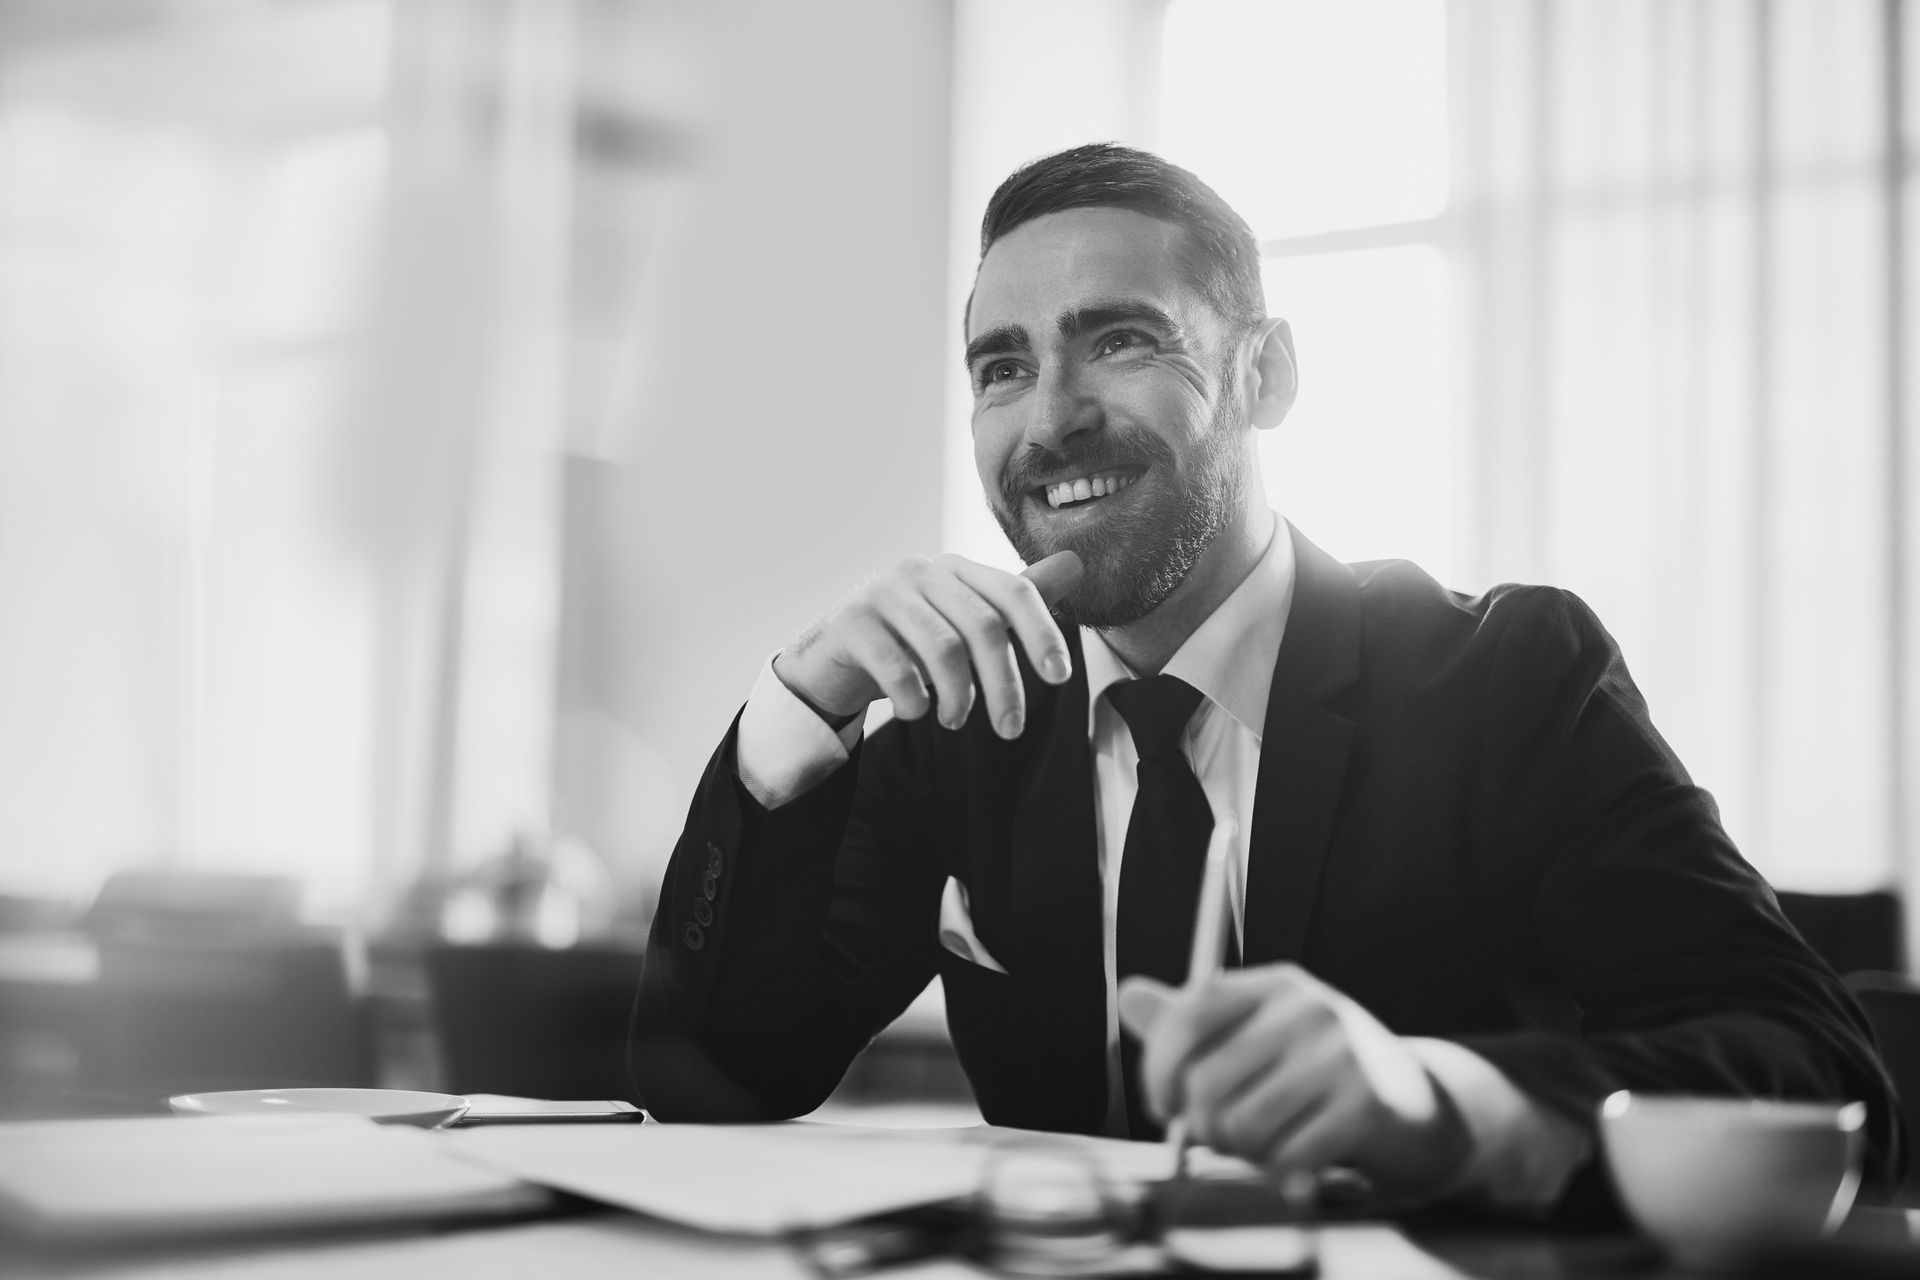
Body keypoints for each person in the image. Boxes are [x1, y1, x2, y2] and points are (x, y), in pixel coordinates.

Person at [629, 143, 1898, 1214]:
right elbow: (709, 1085)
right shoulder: (962, 712)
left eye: (1117, 339)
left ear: (1266, 374)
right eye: (1001, 366)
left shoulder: (1510, 679)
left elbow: (1819, 1067)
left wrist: (1433, 1096)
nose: (1050, 417)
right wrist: (798, 711)